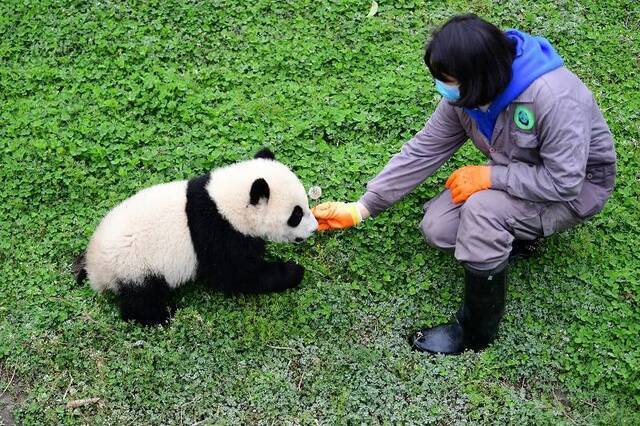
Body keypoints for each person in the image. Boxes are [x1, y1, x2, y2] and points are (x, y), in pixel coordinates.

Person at [312, 14, 616, 355]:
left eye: (448, 80)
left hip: (573, 191)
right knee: (438, 228)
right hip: (519, 173)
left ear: (479, 77)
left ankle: (475, 332)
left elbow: (566, 182)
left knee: (482, 211)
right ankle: (515, 240)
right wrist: (361, 207)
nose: (443, 88)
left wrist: (490, 177)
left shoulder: (554, 98)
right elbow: (424, 148)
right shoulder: (469, 94)